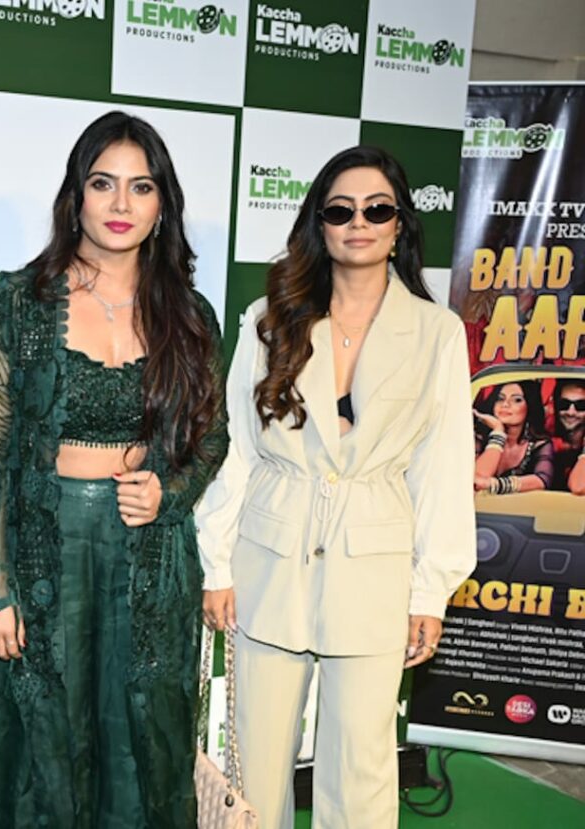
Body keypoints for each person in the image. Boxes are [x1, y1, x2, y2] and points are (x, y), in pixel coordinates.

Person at [0, 111, 228, 828]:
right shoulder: (20, 303)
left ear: (163, 204)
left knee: (140, 741)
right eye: (103, 184)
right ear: (76, 196)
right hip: (44, 553)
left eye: (141, 186)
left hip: (149, 558)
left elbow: (213, 436)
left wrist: (170, 491)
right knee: (42, 741)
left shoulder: (189, 315)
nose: (121, 203)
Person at [196, 146, 477, 829]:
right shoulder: (270, 318)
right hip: (270, 557)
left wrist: (429, 591)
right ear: (318, 224)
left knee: (362, 772)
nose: (359, 223)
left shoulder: (436, 333)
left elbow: (442, 467)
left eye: (377, 210)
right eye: (340, 210)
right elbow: (237, 448)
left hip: (375, 570)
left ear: (400, 225)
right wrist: (217, 563)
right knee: (254, 765)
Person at [473, 380, 553, 494]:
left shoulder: (540, 444)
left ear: (530, 406)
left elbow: (542, 480)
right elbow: (477, 480)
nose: (505, 404)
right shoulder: (478, 436)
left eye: (517, 400)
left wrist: (495, 485)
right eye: (500, 398)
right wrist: (498, 432)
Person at [552, 378, 585, 494]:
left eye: (581, 406)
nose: (571, 412)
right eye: (564, 404)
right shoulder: (546, 441)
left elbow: (578, 487)